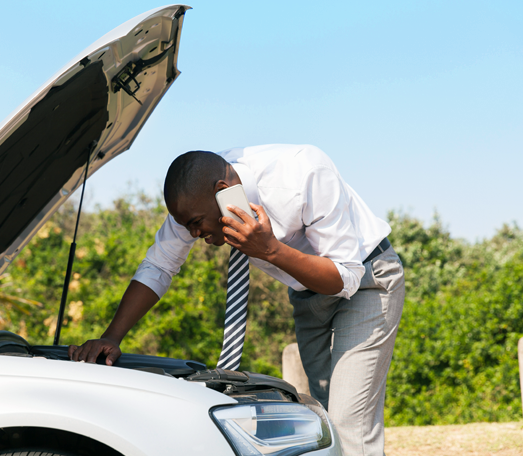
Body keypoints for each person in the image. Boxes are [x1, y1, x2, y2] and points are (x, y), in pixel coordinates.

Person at [69, 144, 405, 455]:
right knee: (324, 420)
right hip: (307, 296)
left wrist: (271, 250)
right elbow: (159, 265)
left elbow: (345, 277)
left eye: (196, 224)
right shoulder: (195, 199)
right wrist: (112, 336)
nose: (194, 234)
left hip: (367, 283)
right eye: (186, 227)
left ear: (220, 192)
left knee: (350, 422)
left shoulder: (304, 173)